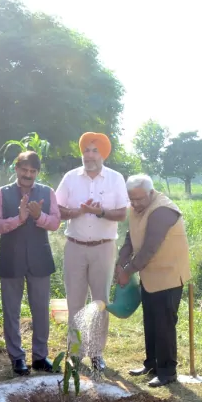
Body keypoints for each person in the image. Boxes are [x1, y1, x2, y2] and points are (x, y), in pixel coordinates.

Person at [56, 132, 128, 372]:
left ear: (103, 154)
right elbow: (57, 209)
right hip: (75, 246)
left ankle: (97, 353)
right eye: (86, 150)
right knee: (74, 301)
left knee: (100, 302)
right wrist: (77, 211)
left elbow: (122, 213)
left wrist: (100, 212)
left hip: (103, 247)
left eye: (94, 150)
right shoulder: (70, 178)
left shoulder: (115, 179)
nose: (89, 155)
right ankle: (75, 352)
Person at [117, 174, 192, 387]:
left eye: (140, 199)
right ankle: (151, 364)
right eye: (132, 199)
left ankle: (167, 372)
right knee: (150, 321)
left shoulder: (163, 211)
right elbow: (130, 239)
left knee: (164, 324)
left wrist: (127, 271)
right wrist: (120, 262)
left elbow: (150, 248)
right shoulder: (136, 207)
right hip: (150, 275)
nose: (135, 204)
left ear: (151, 193)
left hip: (168, 275)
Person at [0, 151, 60, 376]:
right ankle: (17, 357)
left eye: (32, 171)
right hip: (11, 257)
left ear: (37, 172)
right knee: (11, 311)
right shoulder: (1, 194)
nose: (28, 175)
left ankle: (40, 356)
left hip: (40, 258)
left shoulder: (48, 192)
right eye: (24, 170)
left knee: (40, 309)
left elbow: (56, 223)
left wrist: (39, 216)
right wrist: (18, 219)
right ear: (16, 169)